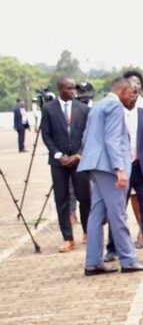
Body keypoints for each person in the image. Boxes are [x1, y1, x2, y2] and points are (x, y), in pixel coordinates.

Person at [78, 77, 143, 275]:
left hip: (95, 166)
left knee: (95, 215)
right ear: (123, 90)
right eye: (131, 94)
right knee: (118, 213)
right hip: (109, 168)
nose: (133, 98)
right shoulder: (114, 106)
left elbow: (86, 138)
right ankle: (128, 260)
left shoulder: (98, 106)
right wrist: (119, 169)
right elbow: (112, 140)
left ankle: (93, 262)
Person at [105, 70, 143, 264]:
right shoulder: (114, 113)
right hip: (121, 170)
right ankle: (112, 248)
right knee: (117, 210)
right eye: (130, 90)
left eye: (136, 89)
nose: (134, 93)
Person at [40, 77, 91, 252]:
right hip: (58, 162)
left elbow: (88, 135)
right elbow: (46, 135)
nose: (73, 91)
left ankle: (87, 231)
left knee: (85, 197)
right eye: (68, 88)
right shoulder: (48, 109)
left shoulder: (83, 109)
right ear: (60, 89)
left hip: (79, 160)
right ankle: (68, 238)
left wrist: (78, 155)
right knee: (61, 200)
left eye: (73, 88)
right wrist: (58, 155)